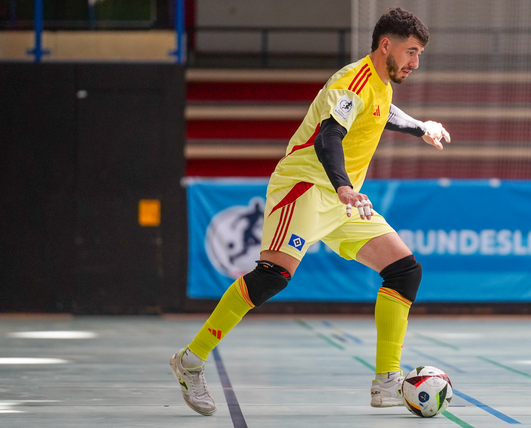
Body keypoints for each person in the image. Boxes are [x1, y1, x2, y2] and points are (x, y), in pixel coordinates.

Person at [169, 7, 451, 416]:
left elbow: (382, 113)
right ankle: (190, 361)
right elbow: (329, 136)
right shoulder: (351, 81)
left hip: (344, 200)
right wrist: (342, 186)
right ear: (385, 45)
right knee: (272, 278)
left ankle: (387, 381)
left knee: (404, 269)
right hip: (305, 188)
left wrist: (419, 126)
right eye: (411, 51)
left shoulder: (382, 83)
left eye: (420, 54)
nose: (415, 62)